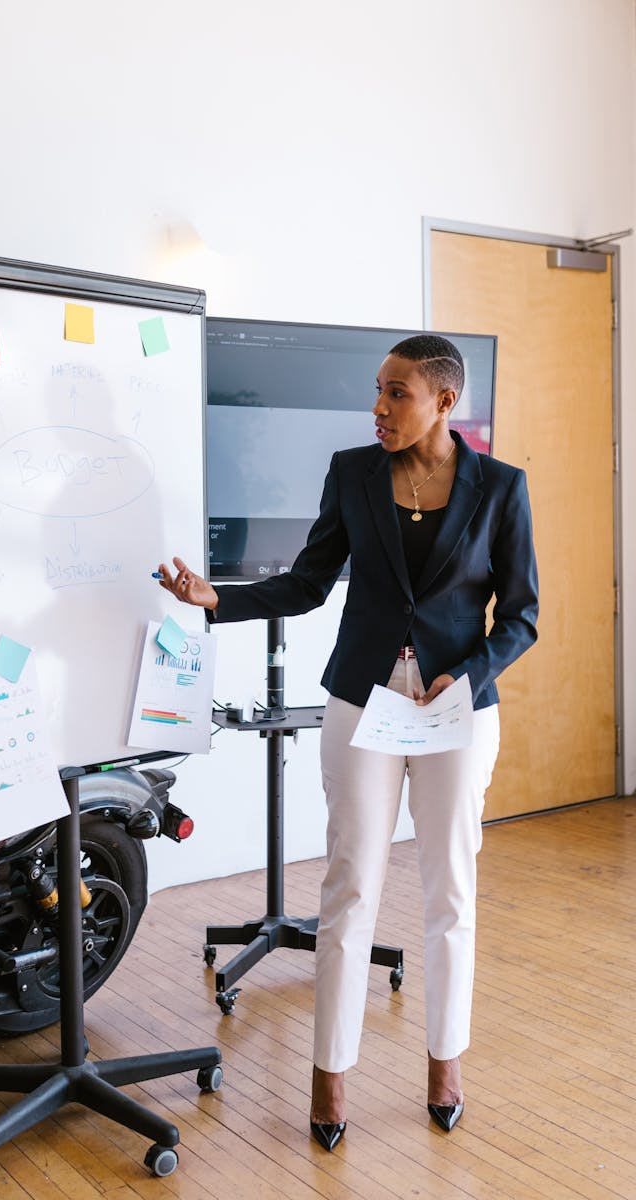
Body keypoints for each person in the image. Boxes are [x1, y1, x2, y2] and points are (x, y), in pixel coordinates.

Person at [156, 334, 538, 1148]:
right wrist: (214, 596)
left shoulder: (502, 488)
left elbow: (524, 614)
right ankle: (330, 1077)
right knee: (350, 887)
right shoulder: (352, 472)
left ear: (444, 401)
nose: (378, 408)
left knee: (450, 893)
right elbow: (304, 583)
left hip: (455, 712)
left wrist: (468, 671)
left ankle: (446, 1062)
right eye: (377, 390)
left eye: (396, 393)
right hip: (361, 704)